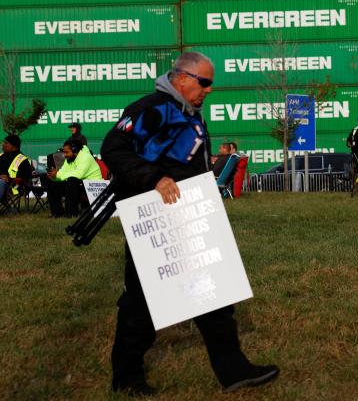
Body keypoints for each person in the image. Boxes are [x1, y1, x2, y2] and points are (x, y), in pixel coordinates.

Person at [101, 51, 278, 395]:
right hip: (154, 221)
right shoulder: (151, 108)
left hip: (188, 217)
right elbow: (114, 147)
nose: (209, 90)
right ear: (182, 77)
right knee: (142, 301)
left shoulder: (190, 114)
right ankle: (126, 377)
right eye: (205, 82)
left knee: (213, 293)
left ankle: (234, 370)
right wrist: (154, 178)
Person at [45, 139, 102, 217]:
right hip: (80, 185)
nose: (64, 155)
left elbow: (78, 174)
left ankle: (71, 213)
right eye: (64, 152)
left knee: (72, 180)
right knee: (51, 182)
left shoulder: (86, 157)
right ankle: (57, 213)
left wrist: (58, 174)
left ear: (74, 150)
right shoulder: (69, 159)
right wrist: (54, 176)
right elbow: (62, 172)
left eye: (66, 152)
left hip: (93, 187)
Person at [0, 134, 33, 202]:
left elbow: (25, 179)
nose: (3, 145)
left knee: (1, 182)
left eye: (6, 143)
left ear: (13, 146)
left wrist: (9, 179)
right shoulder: (1, 156)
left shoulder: (23, 160)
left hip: (14, 187)